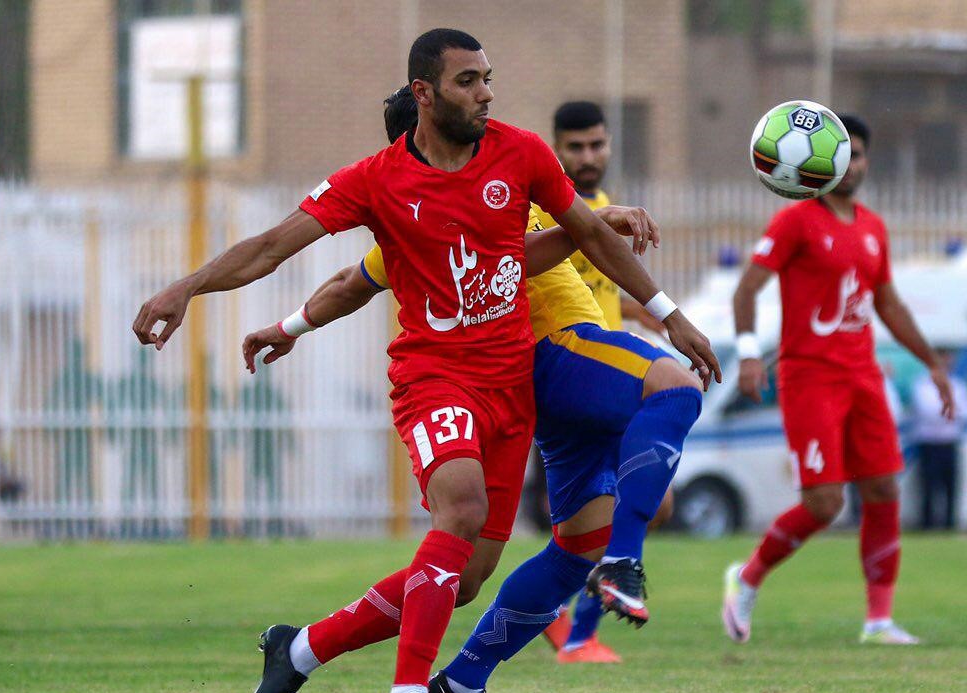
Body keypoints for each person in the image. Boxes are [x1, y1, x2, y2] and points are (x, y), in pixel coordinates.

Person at [132, 29, 719, 693]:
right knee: (463, 506)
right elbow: (277, 249)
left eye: (487, 78)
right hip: (435, 377)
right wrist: (189, 286)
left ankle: (301, 649)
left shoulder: (520, 154)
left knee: (465, 579)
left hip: (513, 389)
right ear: (424, 94)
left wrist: (668, 310)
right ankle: (412, 685)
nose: (486, 92)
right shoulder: (378, 182)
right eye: (468, 81)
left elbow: (548, 246)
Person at [721, 114, 955, 646]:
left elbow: (888, 304)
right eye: (844, 153)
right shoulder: (796, 221)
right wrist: (751, 356)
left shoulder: (873, 228)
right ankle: (748, 576)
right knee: (825, 503)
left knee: (883, 488)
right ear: (820, 160)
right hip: (810, 378)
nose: (852, 164)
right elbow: (746, 290)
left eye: (861, 154)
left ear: (868, 162)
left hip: (864, 375)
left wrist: (933, 366)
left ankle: (878, 620)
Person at [531, 100, 672, 665]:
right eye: (576, 147)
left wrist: (665, 321)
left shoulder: (608, 209)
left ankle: (570, 617)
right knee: (597, 519)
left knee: (649, 507)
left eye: (598, 145)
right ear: (556, 148)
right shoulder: (546, 212)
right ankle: (575, 630)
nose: (589, 158)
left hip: (617, 373)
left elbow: (606, 291)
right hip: (578, 377)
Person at [911, 357, 967, 529]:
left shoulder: (957, 385)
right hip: (929, 444)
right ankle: (928, 526)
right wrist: (950, 411)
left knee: (951, 489)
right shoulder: (922, 385)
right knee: (928, 489)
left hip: (949, 443)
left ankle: (949, 526)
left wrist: (949, 411)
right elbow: (927, 411)